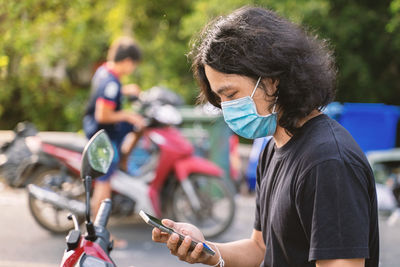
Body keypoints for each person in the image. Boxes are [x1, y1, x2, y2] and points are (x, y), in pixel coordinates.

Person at [151, 6, 379, 267]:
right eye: (219, 98)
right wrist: (207, 250)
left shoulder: (328, 162)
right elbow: (259, 247)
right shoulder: (273, 149)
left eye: (231, 94)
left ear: (271, 80)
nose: (226, 108)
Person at [83, 36, 145, 247]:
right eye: (133, 64)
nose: (133, 68)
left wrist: (126, 90)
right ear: (127, 61)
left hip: (98, 132)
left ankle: (124, 162)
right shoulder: (111, 83)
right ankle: (100, 234)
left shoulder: (105, 72)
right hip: (103, 138)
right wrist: (127, 115)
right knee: (104, 184)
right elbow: (103, 114)